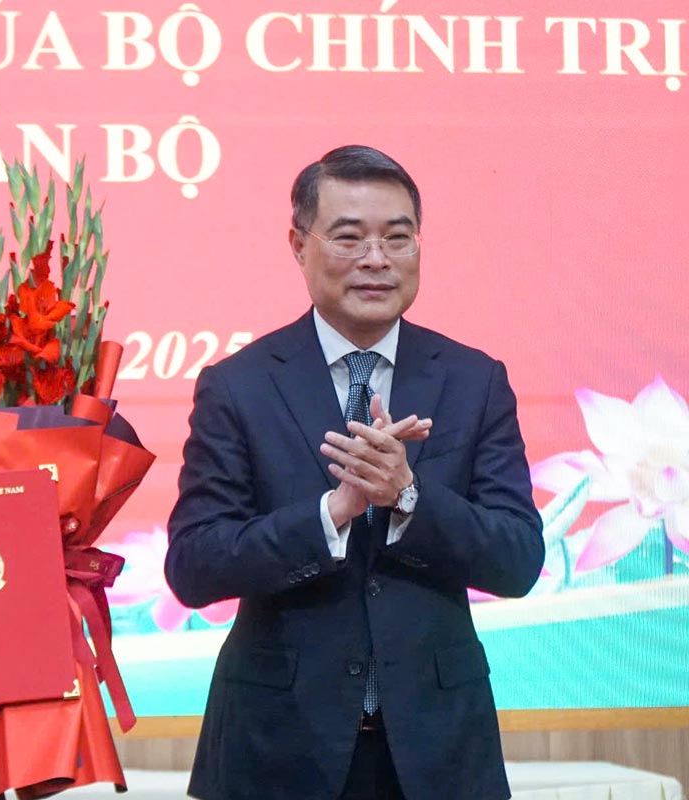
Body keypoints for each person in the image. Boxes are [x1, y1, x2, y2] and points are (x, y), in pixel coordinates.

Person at [165, 145, 544, 800]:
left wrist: (409, 500)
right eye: (350, 237)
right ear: (299, 244)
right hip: (277, 750)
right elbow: (195, 567)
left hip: (436, 754)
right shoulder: (240, 387)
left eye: (398, 238)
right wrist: (332, 513)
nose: (377, 260)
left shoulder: (473, 380)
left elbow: (517, 560)